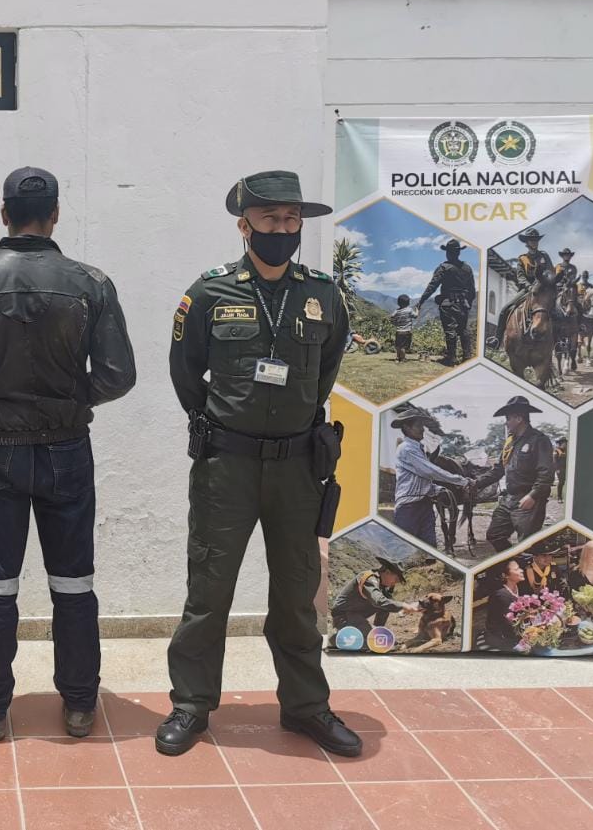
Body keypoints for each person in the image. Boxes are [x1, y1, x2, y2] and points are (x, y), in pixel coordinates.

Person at [0, 167, 136, 742]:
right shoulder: (90, 282)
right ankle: (80, 704)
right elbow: (118, 375)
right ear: (56, 214)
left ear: (4, 213)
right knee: (74, 582)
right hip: (68, 450)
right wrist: (73, 402)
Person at [159, 170, 361, 759]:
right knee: (209, 591)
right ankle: (192, 704)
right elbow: (184, 371)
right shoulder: (209, 292)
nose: (282, 228)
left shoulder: (323, 294)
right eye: (270, 218)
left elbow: (326, 369)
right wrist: (222, 422)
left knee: (297, 595)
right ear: (244, 225)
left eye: (291, 219)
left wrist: (294, 419)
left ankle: (306, 707)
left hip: (298, 467)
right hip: (228, 466)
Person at [472, 396, 555, 553]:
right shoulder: (510, 443)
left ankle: (533, 565)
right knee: (495, 534)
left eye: (508, 419)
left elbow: (546, 473)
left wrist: (533, 496)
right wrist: (475, 483)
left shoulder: (539, 440)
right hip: (509, 498)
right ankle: (515, 562)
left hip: (529, 499)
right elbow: (498, 470)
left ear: (519, 418)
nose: (506, 423)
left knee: (528, 544)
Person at [389, 408, 471, 548]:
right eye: (418, 426)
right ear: (407, 428)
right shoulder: (407, 449)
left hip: (425, 506)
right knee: (406, 549)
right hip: (409, 508)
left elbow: (422, 480)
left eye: (422, 425)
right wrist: (462, 480)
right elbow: (429, 471)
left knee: (429, 548)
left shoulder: (418, 449)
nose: (422, 429)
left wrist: (437, 489)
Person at [488, 228, 555, 350]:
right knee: (505, 309)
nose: (534, 242)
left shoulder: (544, 256)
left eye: (536, 240)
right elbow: (520, 277)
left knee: (557, 310)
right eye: (531, 240)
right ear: (527, 242)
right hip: (527, 289)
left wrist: (547, 282)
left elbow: (551, 272)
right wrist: (529, 286)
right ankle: (497, 339)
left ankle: (558, 341)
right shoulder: (522, 259)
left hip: (543, 289)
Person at [330, 557, 420, 641]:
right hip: (343, 617)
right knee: (374, 640)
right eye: (396, 579)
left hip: (356, 617)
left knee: (378, 638)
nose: (394, 583)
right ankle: (338, 637)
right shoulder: (369, 579)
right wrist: (403, 605)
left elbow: (388, 604)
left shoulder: (382, 586)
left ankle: (371, 632)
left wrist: (408, 607)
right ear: (387, 572)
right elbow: (379, 601)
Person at [418, 238, 477, 365]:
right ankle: (467, 357)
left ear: (448, 253)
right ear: (458, 252)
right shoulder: (467, 268)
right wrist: (468, 303)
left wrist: (421, 301)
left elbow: (432, 286)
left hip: (448, 304)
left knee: (450, 330)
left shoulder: (444, 267)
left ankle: (451, 358)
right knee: (464, 329)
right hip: (463, 304)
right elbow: (472, 290)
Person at [483, 560, 525, 651]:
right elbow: (508, 625)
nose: (521, 570)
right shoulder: (501, 595)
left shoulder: (519, 587)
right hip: (502, 637)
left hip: (517, 630)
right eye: (516, 569)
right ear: (505, 575)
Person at [389, 295, 418, 362]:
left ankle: (397, 358)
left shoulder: (396, 311)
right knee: (403, 347)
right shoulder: (409, 310)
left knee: (398, 346)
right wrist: (417, 309)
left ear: (398, 303)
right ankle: (402, 358)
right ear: (408, 303)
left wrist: (395, 323)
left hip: (398, 331)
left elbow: (391, 317)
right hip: (407, 331)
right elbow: (415, 316)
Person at [554, 437, 568, 502]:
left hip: (566, 469)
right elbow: (555, 461)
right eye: (564, 443)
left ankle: (564, 497)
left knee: (564, 482)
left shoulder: (566, 450)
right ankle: (559, 497)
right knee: (561, 482)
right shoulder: (557, 451)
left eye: (566, 443)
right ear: (561, 443)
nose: (565, 444)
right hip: (559, 469)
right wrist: (557, 469)